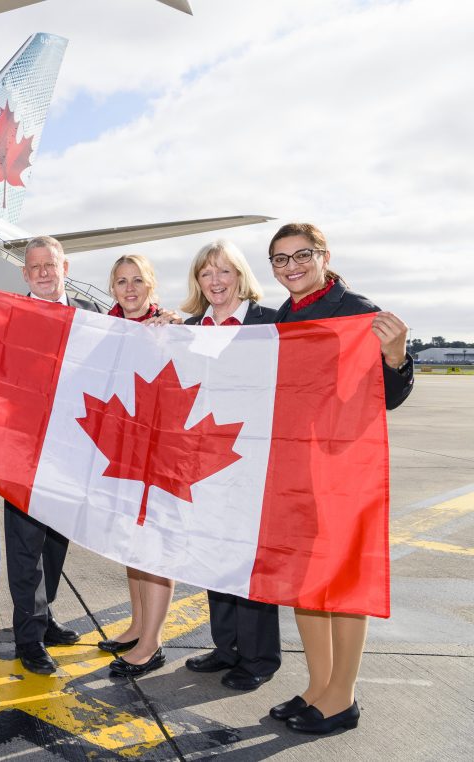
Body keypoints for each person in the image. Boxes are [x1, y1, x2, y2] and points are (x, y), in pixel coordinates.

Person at [263, 223, 412, 734]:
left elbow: (386, 397)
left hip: (342, 472)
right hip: (299, 469)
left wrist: (395, 358)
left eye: (301, 255)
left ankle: (342, 698)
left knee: (344, 582)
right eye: (280, 260)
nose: (291, 267)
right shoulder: (286, 314)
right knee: (307, 584)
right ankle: (317, 685)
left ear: (324, 256)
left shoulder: (357, 312)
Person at [0, 235, 103, 675]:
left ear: (64, 267)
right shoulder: (11, 316)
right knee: (24, 545)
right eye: (33, 266)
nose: (42, 272)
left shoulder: (92, 317)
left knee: (56, 542)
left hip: (72, 448)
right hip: (23, 450)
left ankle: (45, 613)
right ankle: (29, 638)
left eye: (49, 264)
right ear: (24, 273)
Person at [178, 240, 281, 691]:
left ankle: (260, 656)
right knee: (214, 553)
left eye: (224, 271)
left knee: (249, 560)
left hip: (254, 459)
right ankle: (226, 647)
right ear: (197, 282)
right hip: (205, 461)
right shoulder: (192, 328)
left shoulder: (269, 322)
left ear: (240, 275)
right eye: (206, 274)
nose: (215, 281)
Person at [95, 254, 182, 680]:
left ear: (151, 285)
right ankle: (136, 625)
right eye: (121, 282)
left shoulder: (169, 327)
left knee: (156, 548)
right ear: (112, 288)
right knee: (131, 544)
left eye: (137, 281)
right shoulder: (104, 329)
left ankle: (152, 642)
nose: (129, 289)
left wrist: (170, 337)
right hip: (122, 450)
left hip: (159, 452)